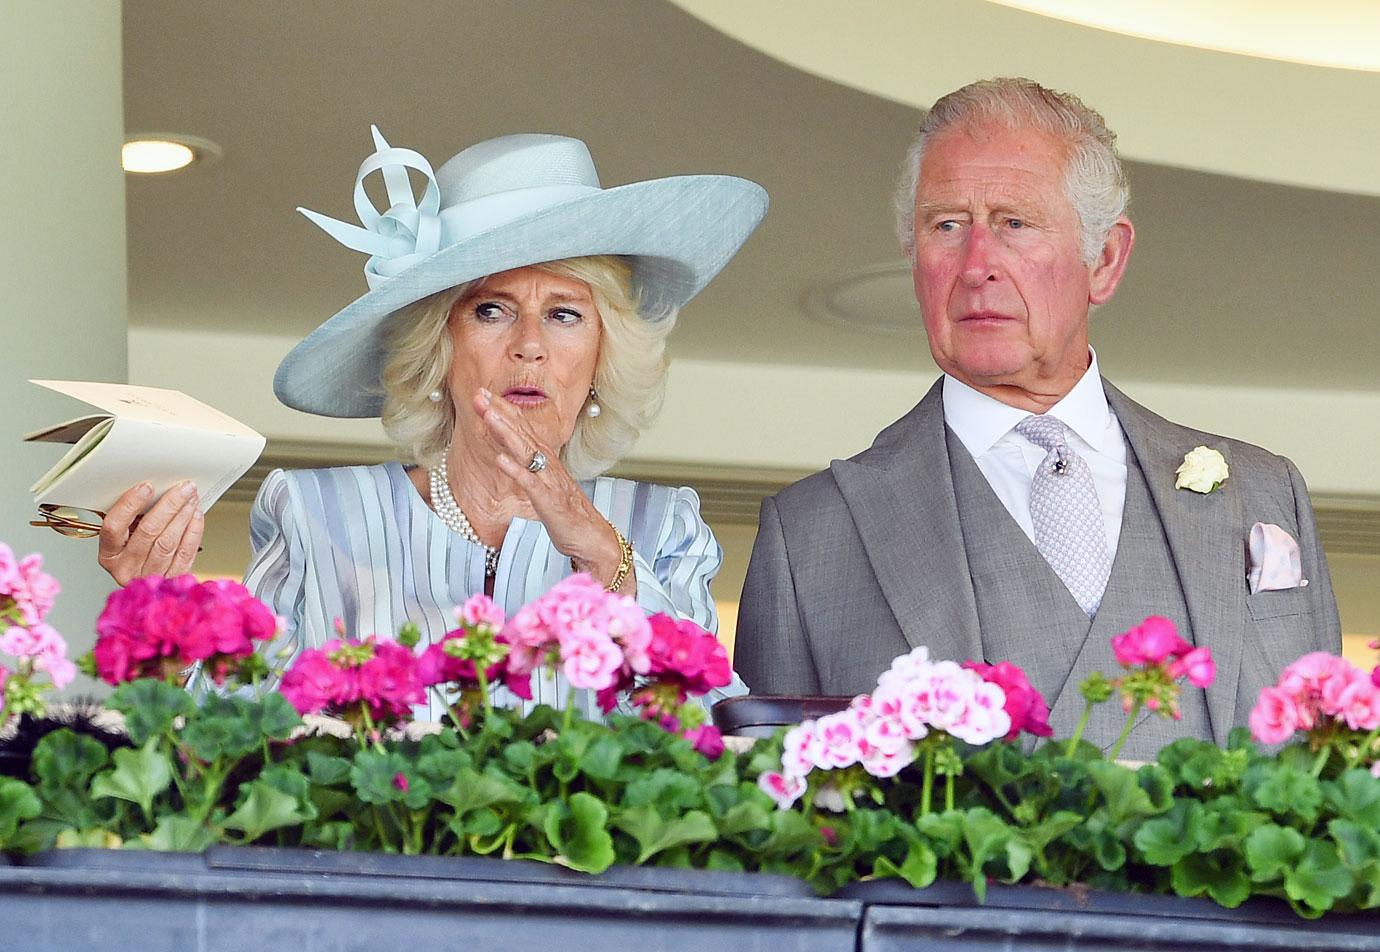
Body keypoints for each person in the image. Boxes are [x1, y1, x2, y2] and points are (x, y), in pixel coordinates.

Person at [735, 78, 1341, 758]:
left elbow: (1326, 792)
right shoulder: (812, 536)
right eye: (947, 225)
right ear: (915, 257)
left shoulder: (1262, 494)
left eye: (1014, 223)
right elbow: (773, 828)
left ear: (1105, 259)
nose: (976, 265)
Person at [97, 127, 768, 718]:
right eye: (491, 310)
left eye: (565, 314)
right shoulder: (312, 512)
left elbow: (708, 729)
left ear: (600, 358)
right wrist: (162, 619)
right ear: (438, 348)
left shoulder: (664, 529)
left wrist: (599, 552)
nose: (529, 344)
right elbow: (236, 734)